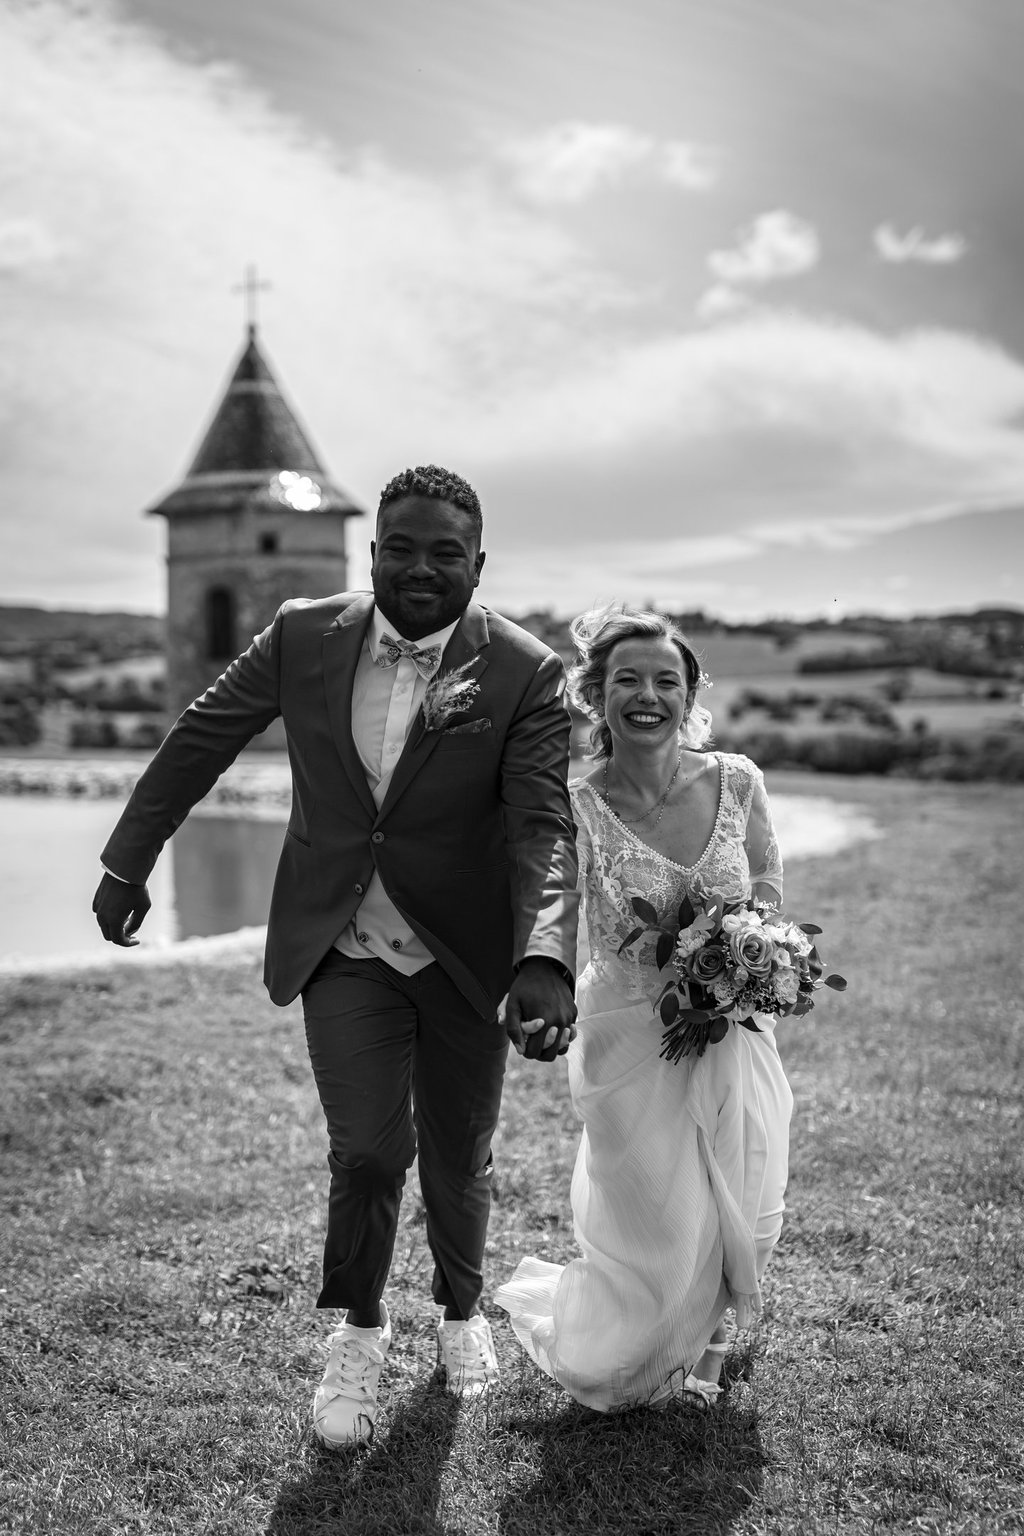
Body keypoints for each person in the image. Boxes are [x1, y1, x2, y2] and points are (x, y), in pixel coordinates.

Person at [93, 464, 579, 1447]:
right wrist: (128, 857)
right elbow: (201, 739)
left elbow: (544, 829)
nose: (420, 567)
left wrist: (544, 955)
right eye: (400, 546)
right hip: (343, 942)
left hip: (464, 955)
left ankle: (459, 1309)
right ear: (371, 551)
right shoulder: (302, 634)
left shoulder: (526, 672)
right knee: (365, 1151)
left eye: (445, 552)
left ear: (477, 564)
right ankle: (359, 1330)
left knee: (457, 1153)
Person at [494, 603, 793, 1412]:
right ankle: (635, 1342)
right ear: (597, 694)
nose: (649, 694)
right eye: (628, 679)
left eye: (667, 678)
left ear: (690, 690)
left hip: (735, 1027)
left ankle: (715, 1342)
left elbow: (765, 879)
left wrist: (757, 950)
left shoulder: (737, 779)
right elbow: (547, 898)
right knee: (656, 1219)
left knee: (748, 1194)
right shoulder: (576, 803)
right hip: (629, 1034)